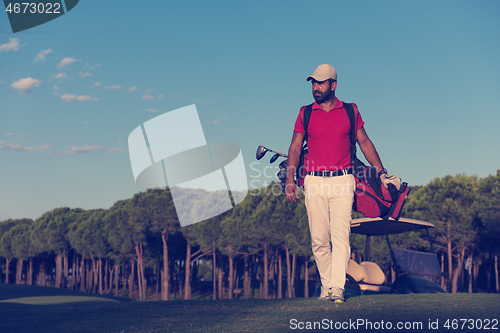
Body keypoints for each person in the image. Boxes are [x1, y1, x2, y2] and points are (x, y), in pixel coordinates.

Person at [285, 64, 389, 303]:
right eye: (313, 83)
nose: (316, 87)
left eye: (321, 83)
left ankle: (337, 288)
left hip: (343, 180)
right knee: (319, 240)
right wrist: (290, 181)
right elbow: (294, 147)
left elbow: (364, 142)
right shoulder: (305, 112)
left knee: (341, 236)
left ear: (333, 85)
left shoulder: (351, 111)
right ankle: (326, 286)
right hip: (313, 181)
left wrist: (382, 173)